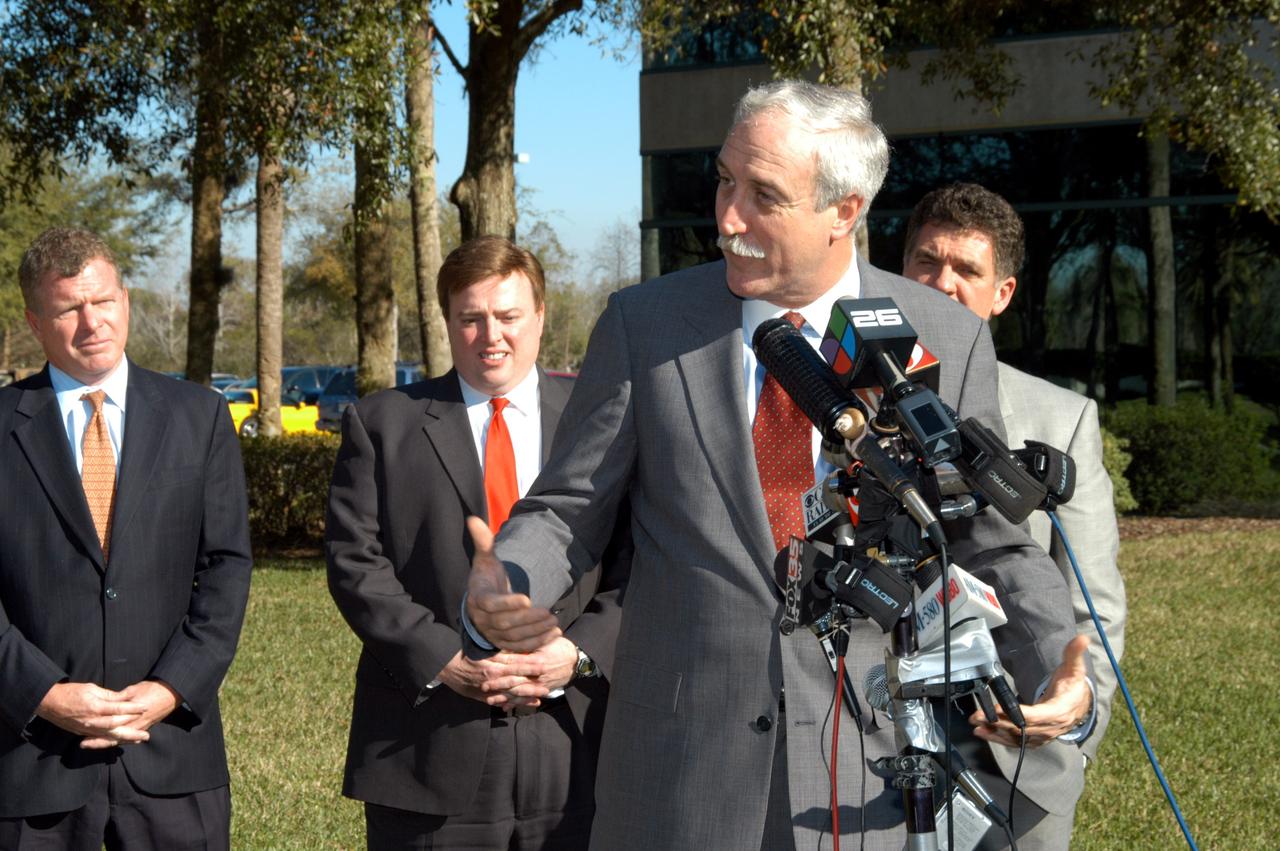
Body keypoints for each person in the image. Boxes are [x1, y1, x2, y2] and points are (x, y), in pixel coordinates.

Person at [465, 80, 1092, 850]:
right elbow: (567, 507)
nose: (728, 217)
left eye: (764, 195)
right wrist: (511, 580)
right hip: (679, 775)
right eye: (726, 180)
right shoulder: (646, 324)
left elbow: (988, 536)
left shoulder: (944, 335)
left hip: (870, 778)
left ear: (845, 210)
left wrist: (1058, 659)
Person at [326, 236, 629, 849]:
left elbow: (638, 561)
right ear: (448, 322)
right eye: (471, 318)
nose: (491, 335)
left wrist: (576, 655)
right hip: (426, 738)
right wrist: (443, 659)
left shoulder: (600, 421)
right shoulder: (382, 424)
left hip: (577, 741)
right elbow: (355, 563)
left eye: (509, 316)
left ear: (540, 316)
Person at [0, 227, 253, 849]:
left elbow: (225, 567)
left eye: (104, 301)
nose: (92, 323)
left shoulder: (199, 416)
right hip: (33, 765)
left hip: (173, 757)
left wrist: (170, 689)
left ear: (127, 301)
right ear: (35, 321)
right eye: (68, 308)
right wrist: (45, 694)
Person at [902, 182, 1127, 850]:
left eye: (967, 270)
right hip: (863, 756)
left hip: (1012, 769)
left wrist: (1075, 723)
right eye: (926, 262)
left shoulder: (1063, 419)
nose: (942, 284)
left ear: (1001, 293)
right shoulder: (833, 406)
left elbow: (1095, 609)